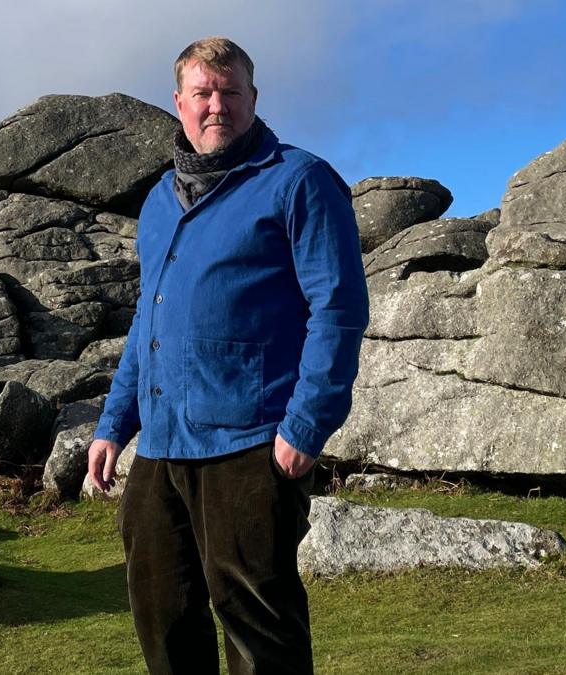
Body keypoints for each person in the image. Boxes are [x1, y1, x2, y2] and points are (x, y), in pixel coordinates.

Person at [87, 36, 369, 675]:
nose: (217, 106)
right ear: (179, 103)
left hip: (250, 444)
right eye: (203, 93)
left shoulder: (300, 180)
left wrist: (306, 426)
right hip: (159, 447)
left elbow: (340, 309)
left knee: (258, 632)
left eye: (230, 92)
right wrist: (113, 425)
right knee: (163, 621)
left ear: (253, 98)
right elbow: (147, 322)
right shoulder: (160, 199)